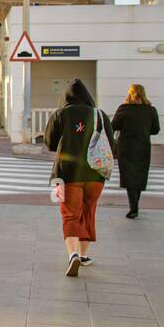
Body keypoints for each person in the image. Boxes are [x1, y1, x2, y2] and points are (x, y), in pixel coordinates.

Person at [44, 79, 114, 277]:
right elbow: (111, 145)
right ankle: (83, 256)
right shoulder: (99, 115)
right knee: (88, 212)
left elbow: (49, 143)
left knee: (70, 214)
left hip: (66, 174)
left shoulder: (60, 114)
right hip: (95, 175)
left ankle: (73, 253)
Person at [112, 84, 160, 219]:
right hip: (143, 147)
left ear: (129, 94)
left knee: (129, 177)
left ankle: (134, 208)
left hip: (126, 147)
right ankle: (135, 205)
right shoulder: (151, 110)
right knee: (139, 176)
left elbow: (113, 126)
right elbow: (155, 130)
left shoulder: (124, 109)